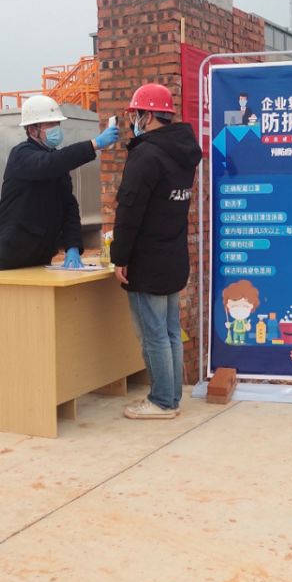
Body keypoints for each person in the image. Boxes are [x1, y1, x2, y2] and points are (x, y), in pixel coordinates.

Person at [111, 83, 202, 419]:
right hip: (172, 255)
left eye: (136, 114)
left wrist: (119, 256)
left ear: (147, 116)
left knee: (154, 335)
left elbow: (129, 210)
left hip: (146, 260)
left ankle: (162, 401)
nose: (133, 120)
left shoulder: (146, 154)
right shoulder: (183, 153)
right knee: (170, 332)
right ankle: (172, 397)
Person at [0, 95, 119, 271]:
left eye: (57, 123)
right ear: (32, 130)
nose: (56, 128)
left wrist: (73, 246)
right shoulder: (21, 155)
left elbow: (69, 206)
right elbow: (49, 163)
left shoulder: (56, 162)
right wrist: (94, 144)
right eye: (50, 124)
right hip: (12, 253)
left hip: (41, 253)